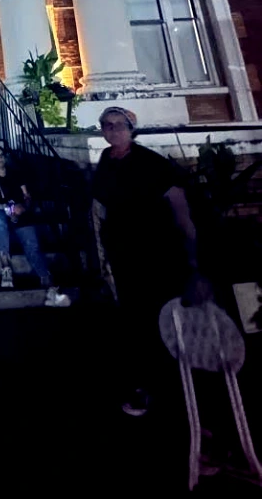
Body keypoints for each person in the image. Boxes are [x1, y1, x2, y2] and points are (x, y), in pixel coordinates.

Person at [91, 106, 213, 416]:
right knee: (138, 324)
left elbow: (182, 214)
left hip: (159, 256)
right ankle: (148, 388)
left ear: (132, 129)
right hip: (125, 259)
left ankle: (187, 399)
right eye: (107, 125)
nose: (113, 130)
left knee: (167, 322)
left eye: (120, 125)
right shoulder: (106, 161)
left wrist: (194, 264)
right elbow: (101, 206)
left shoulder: (153, 164)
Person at [0, 144, 70, 307]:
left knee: (32, 245)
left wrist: (22, 208)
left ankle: (48, 282)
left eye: (2, 154)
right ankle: (5, 266)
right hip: (1, 212)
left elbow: (27, 196)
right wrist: (8, 209)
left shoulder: (16, 174)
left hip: (20, 213)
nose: (0, 158)